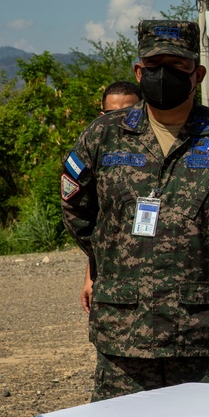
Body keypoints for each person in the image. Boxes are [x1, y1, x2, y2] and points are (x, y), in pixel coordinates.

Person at [61, 20, 209, 401]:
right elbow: (76, 210)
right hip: (125, 334)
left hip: (203, 333)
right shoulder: (103, 136)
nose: (163, 75)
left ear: (196, 75)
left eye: (177, 67)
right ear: (138, 71)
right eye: (153, 67)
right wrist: (111, 259)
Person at [79, 80, 144, 314]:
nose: (119, 120)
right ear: (101, 116)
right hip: (117, 280)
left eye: (128, 113)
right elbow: (98, 220)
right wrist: (90, 274)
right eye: (111, 114)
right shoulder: (97, 151)